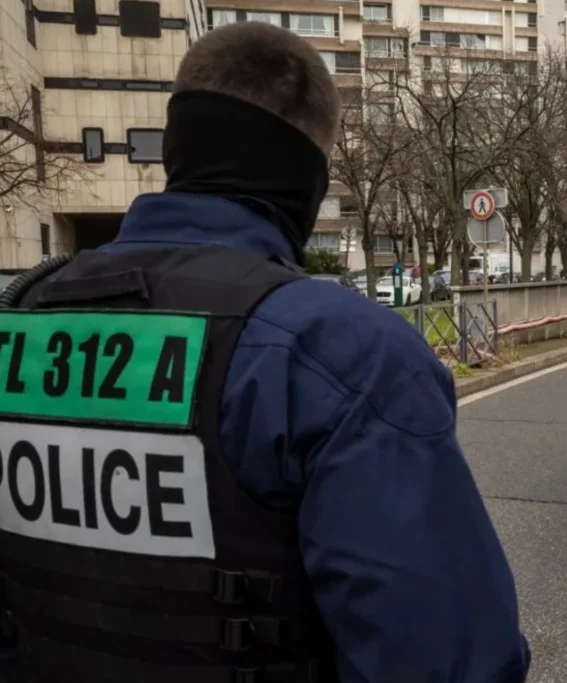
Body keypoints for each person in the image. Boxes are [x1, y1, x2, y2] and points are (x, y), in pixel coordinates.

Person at [0, 21, 530, 683]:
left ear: (177, 147)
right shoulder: (342, 351)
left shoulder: (20, 319)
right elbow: (442, 657)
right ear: (310, 172)